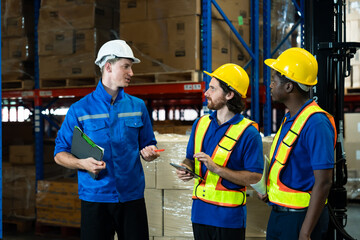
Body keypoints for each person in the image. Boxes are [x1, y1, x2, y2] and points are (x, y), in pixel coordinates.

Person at [54, 39, 160, 240]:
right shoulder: (80, 109)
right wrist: (81, 163)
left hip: (131, 197)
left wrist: (149, 153)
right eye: (126, 66)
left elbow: (148, 143)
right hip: (95, 198)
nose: (131, 73)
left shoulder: (138, 107)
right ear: (108, 67)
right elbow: (59, 153)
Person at [176, 63, 264, 240]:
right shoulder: (200, 124)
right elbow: (189, 159)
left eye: (212, 88)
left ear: (229, 94)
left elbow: (255, 177)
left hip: (229, 219)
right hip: (200, 214)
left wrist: (217, 168)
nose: (206, 93)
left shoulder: (249, 133)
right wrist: (185, 167)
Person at [259, 47, 337, 240]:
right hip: (279, 215)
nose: (269, 85)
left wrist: (305, 232)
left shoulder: (316, 123)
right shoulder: (290, 119)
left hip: (301, 220)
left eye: (274, 81)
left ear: (288, 87)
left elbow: (324, 181)